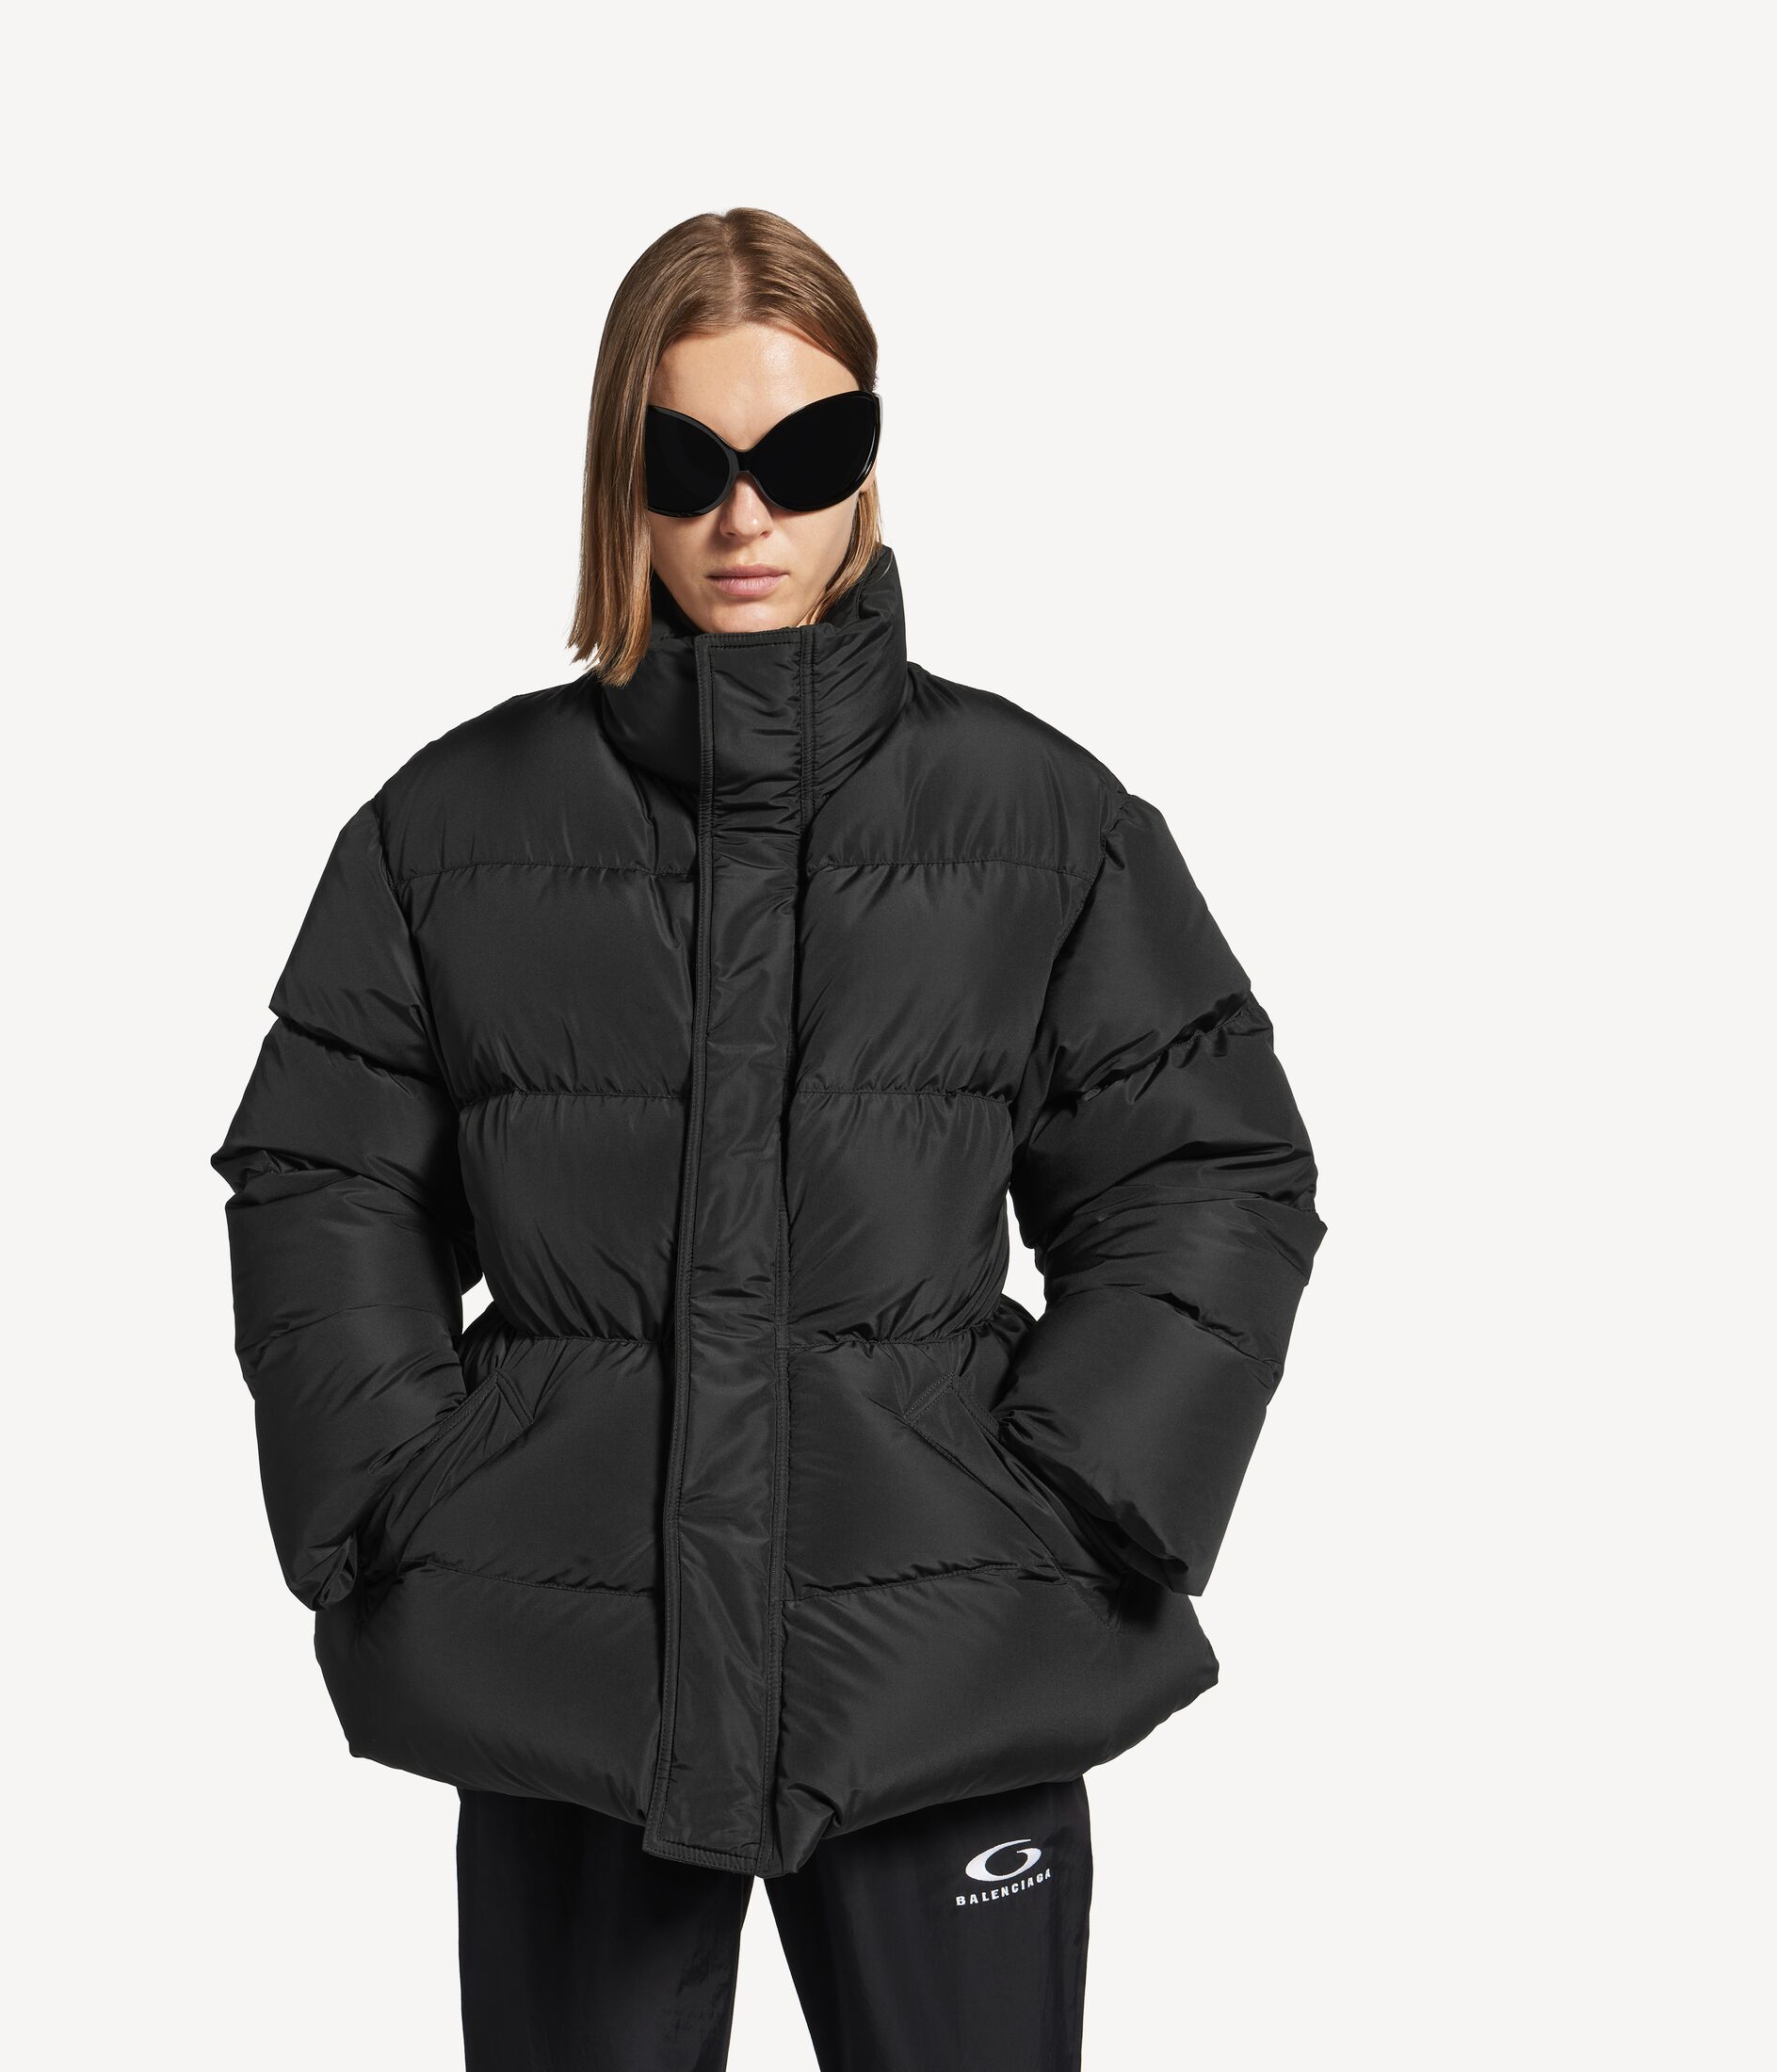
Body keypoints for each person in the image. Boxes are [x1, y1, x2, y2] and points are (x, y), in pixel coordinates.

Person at [212, 206, 1325, 2072]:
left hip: (943, 1666)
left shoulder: (1039, 820)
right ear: (618, 476)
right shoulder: (448, 829)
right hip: (573, 1673)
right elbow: (322, 1179)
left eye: (802, 453)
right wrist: (404, 1491)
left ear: (867, 464)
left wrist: (1076, 1496)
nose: (745, 513)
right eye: (687, 459)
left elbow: (1207, 1168)